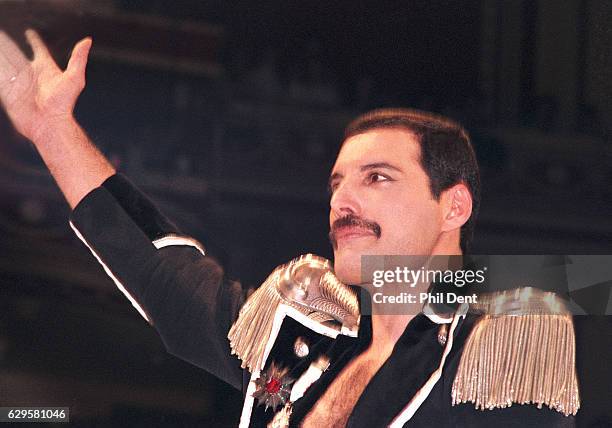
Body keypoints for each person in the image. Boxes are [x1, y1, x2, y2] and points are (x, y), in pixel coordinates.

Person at [0, 30, 601, 427]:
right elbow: (163, 272)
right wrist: (53, 133)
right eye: (337, 182)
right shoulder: (302, 335)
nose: (343, 199)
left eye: (378, 178)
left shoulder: (500, 345)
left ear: (454, 206)